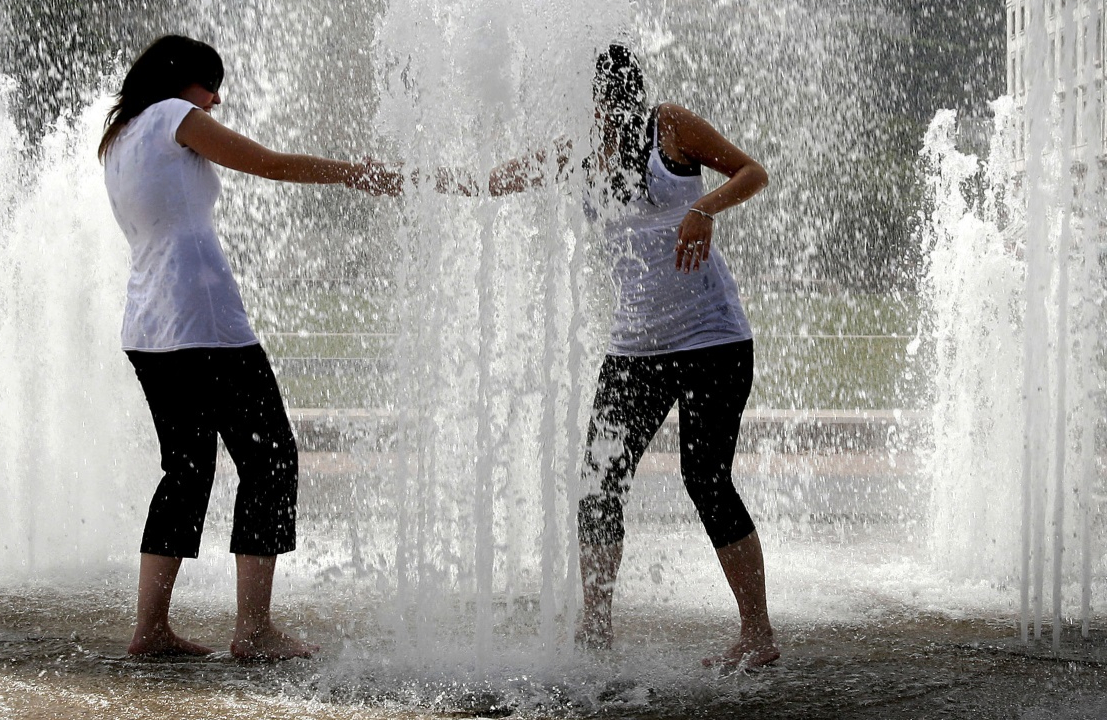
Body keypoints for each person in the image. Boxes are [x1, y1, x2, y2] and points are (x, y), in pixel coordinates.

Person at [438, 44, 777, 669]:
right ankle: (594, 630)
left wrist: (702, 207)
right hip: (636, 348)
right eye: (597, 101)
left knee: (706, 479)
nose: (605, 110)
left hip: (712, 341)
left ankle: (757, 634)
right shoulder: (579, 151)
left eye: (612, 97)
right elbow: (489, 183)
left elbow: (753, 173)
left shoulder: (669, 126)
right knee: (599, 482)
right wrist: (405, 177)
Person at [98, 34, 399, 661]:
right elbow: (269, 164)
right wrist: (355, 173)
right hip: (204, 320)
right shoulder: (174, 116)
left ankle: (150, 629)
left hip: (149, 325)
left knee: (186, 470)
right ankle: (254, 630)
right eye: (211, 87)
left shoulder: (120, 136)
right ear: (183, 82)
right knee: (271, 458)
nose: (215, 101)